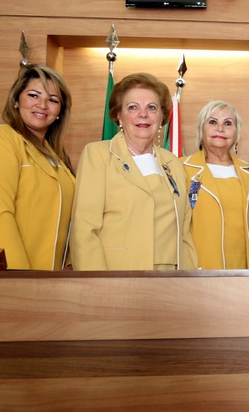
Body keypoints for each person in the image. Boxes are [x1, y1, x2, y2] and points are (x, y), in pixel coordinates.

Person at [70, 72, 197, 270]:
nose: (143, 114)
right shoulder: (98, 155)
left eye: (152, 108)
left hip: (170, 281)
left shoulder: (173, 163)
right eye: (133, 107)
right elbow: (84, 230)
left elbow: (184, 234)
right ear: (119, 115)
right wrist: (97, 285)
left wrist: (188, 283)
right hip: (117, 277)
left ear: (162, 116)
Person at [0, 65, 75, 270]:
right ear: (16, 101)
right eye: (33, 95)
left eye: (53, 100)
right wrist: (19, 276)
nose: (42, 105)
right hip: (4, 277)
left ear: (60, 112)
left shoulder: (58, 159)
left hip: (49, 282)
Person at [182, 100, 249, 269]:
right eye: (213, 122)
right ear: (201, 130)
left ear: (237, 133)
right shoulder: (181, 169)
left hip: (243, 274)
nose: (220, 128)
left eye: (228, 123)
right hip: (198, 271)